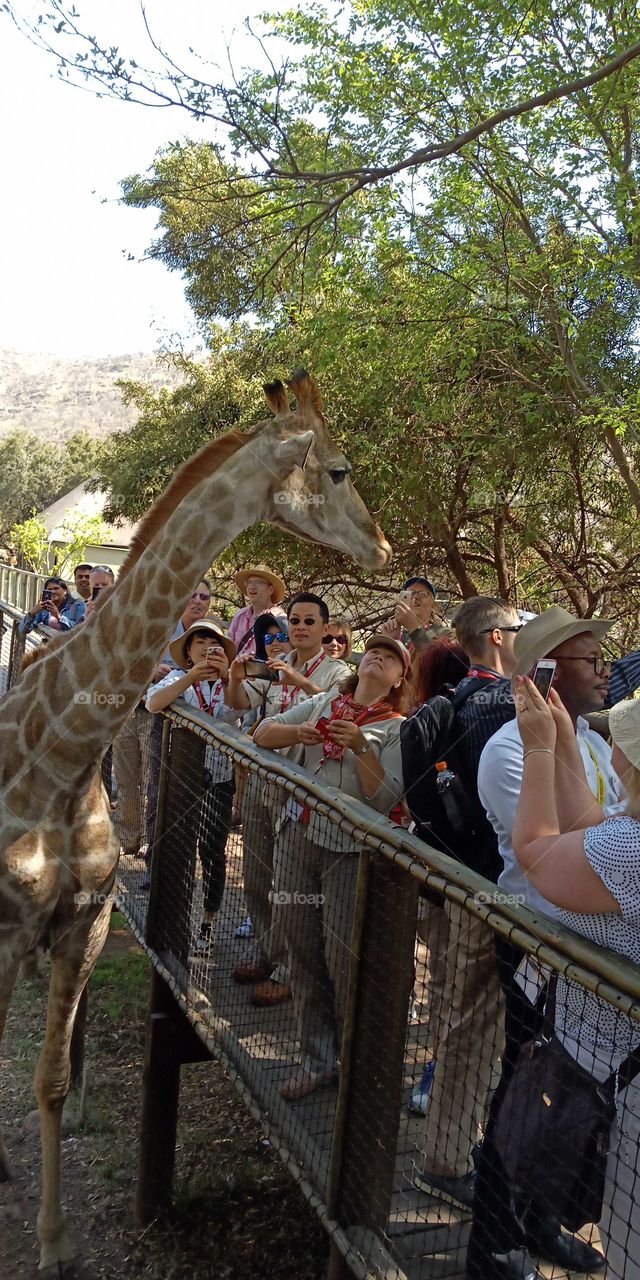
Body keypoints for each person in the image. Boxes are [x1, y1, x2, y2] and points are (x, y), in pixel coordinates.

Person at [468, 606, 622, 1280]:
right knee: (520, 1096)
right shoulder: (506, 752)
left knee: (573, 1102)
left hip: (590, 955)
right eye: (589, 661)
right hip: (539, 954)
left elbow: (605, 829)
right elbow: (556, 849)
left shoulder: (589, 740)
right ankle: (492, 1246)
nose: (604, 673)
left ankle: (541, 1224)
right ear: (549, 675)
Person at [507, 682, 640, 1280]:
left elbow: (538, 854)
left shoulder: (631, 852)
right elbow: (591, 832)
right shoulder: (626, 840)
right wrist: (562, 746)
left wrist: (535, 751)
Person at [254, 634, 410, 1100]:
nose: (378, 658)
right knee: (300, 948)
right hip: (296, 835)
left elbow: (386, 800)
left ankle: (357, 1063)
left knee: (344, 959)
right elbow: (262, 733)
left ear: (400, 678)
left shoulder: (397, 727)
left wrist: (363, 748)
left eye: (391, 658)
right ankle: (317, 1061)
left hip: (349, 851)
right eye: (374, 653)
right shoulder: (324, 702)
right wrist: (299, 733)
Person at [407, 601, 520, 1194]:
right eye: (521, 629)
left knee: (467, 1019)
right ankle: (448, 1160)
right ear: (497, 637)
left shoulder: (460, 699)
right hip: (495, 889)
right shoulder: (500, 705)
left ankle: (453, 1152)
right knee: (475, 1025)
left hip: (465, 881)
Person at [227, 593, 350, 1006]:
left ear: (324, 628)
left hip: (303, 789)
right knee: (257, 875)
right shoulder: (277, 664)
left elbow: (335, 715)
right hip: (264, 780)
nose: (298, 628)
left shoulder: (338, 672)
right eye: (293, 621)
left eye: (308, 622)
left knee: (289, 884)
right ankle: (268, 952)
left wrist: (298, 683)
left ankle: (287, 970)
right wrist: (235, 675)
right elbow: (241, 704)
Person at [146, 620, 240, 958]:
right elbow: (153, 703)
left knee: (212, 852)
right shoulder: (177, 679)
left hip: (219, 779)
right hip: (181, 782)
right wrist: (190, 677)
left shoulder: (231, 683)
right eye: (200, 642)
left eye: (215, 644)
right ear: (188, 651)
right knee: (175, 849)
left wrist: (228, 676)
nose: (207, 648)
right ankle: (171, 923)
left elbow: (238, 711)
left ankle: (208, 925)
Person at [227, 564, 287, 656]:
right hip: (238, 668)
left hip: (264, 669)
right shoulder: (240, 615)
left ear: (270, 589)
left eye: (258, 582)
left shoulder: (279, 617)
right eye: (249, 582)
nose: (252, 586)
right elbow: (229, 646)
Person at [19, 575, 85, 634]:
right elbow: (22, 630)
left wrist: (59, 617)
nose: (53, 592)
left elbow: (80, 630)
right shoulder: (44, 608)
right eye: (49, 590)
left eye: (56, 588)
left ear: (65, 591)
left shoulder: (78, 606)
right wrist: (32, 613)